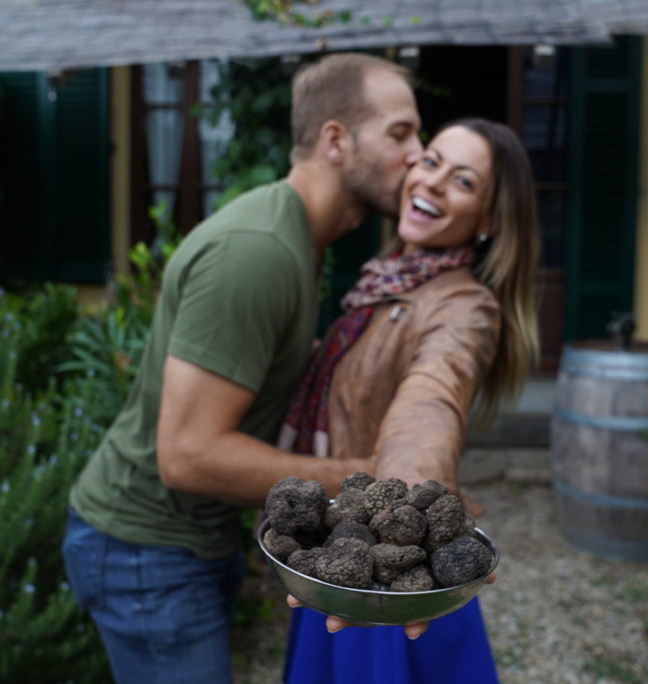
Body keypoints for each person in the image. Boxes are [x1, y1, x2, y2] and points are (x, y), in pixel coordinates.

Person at [60, 52, 424, 684]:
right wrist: (361, 480)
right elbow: (187, 455)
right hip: (146, 552)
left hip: (186, 545)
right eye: (400, 133)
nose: (419, 154)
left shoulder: (297, 241)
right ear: (335, 140)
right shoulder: (258, 254)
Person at [279, 117, 541, 684]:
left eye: (464, 181)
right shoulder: (382, 285)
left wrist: (403, 531)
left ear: (490, 219)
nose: (434, 182)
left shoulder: (463, 307)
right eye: (431, 161)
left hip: (382, 586)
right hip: (342, 555)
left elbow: (431, 400)